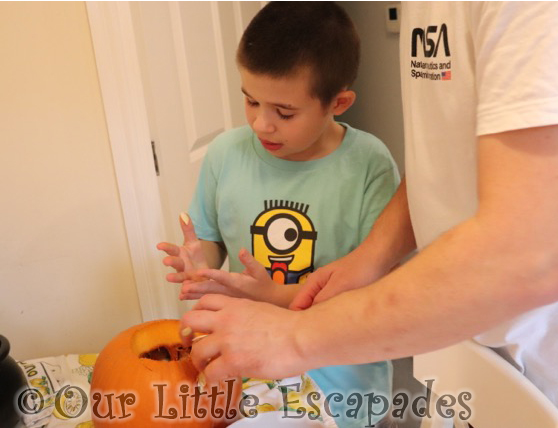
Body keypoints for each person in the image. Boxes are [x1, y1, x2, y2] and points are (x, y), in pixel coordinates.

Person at [179, 3, 558, 427]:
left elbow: (532, 255)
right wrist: (372, 255)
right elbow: (445, 157)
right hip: (467, 352)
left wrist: (293, 336)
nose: (262, 122)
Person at [158, 2, 400, 427]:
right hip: (247, 371)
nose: (260, 125)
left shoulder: (369, 164)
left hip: (341, 383)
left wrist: (280, 298)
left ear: (338, 103)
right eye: (251, 101)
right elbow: (212, 240)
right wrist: (201, 262)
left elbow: (374, 288)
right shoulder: (225, 154)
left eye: (283, 113)